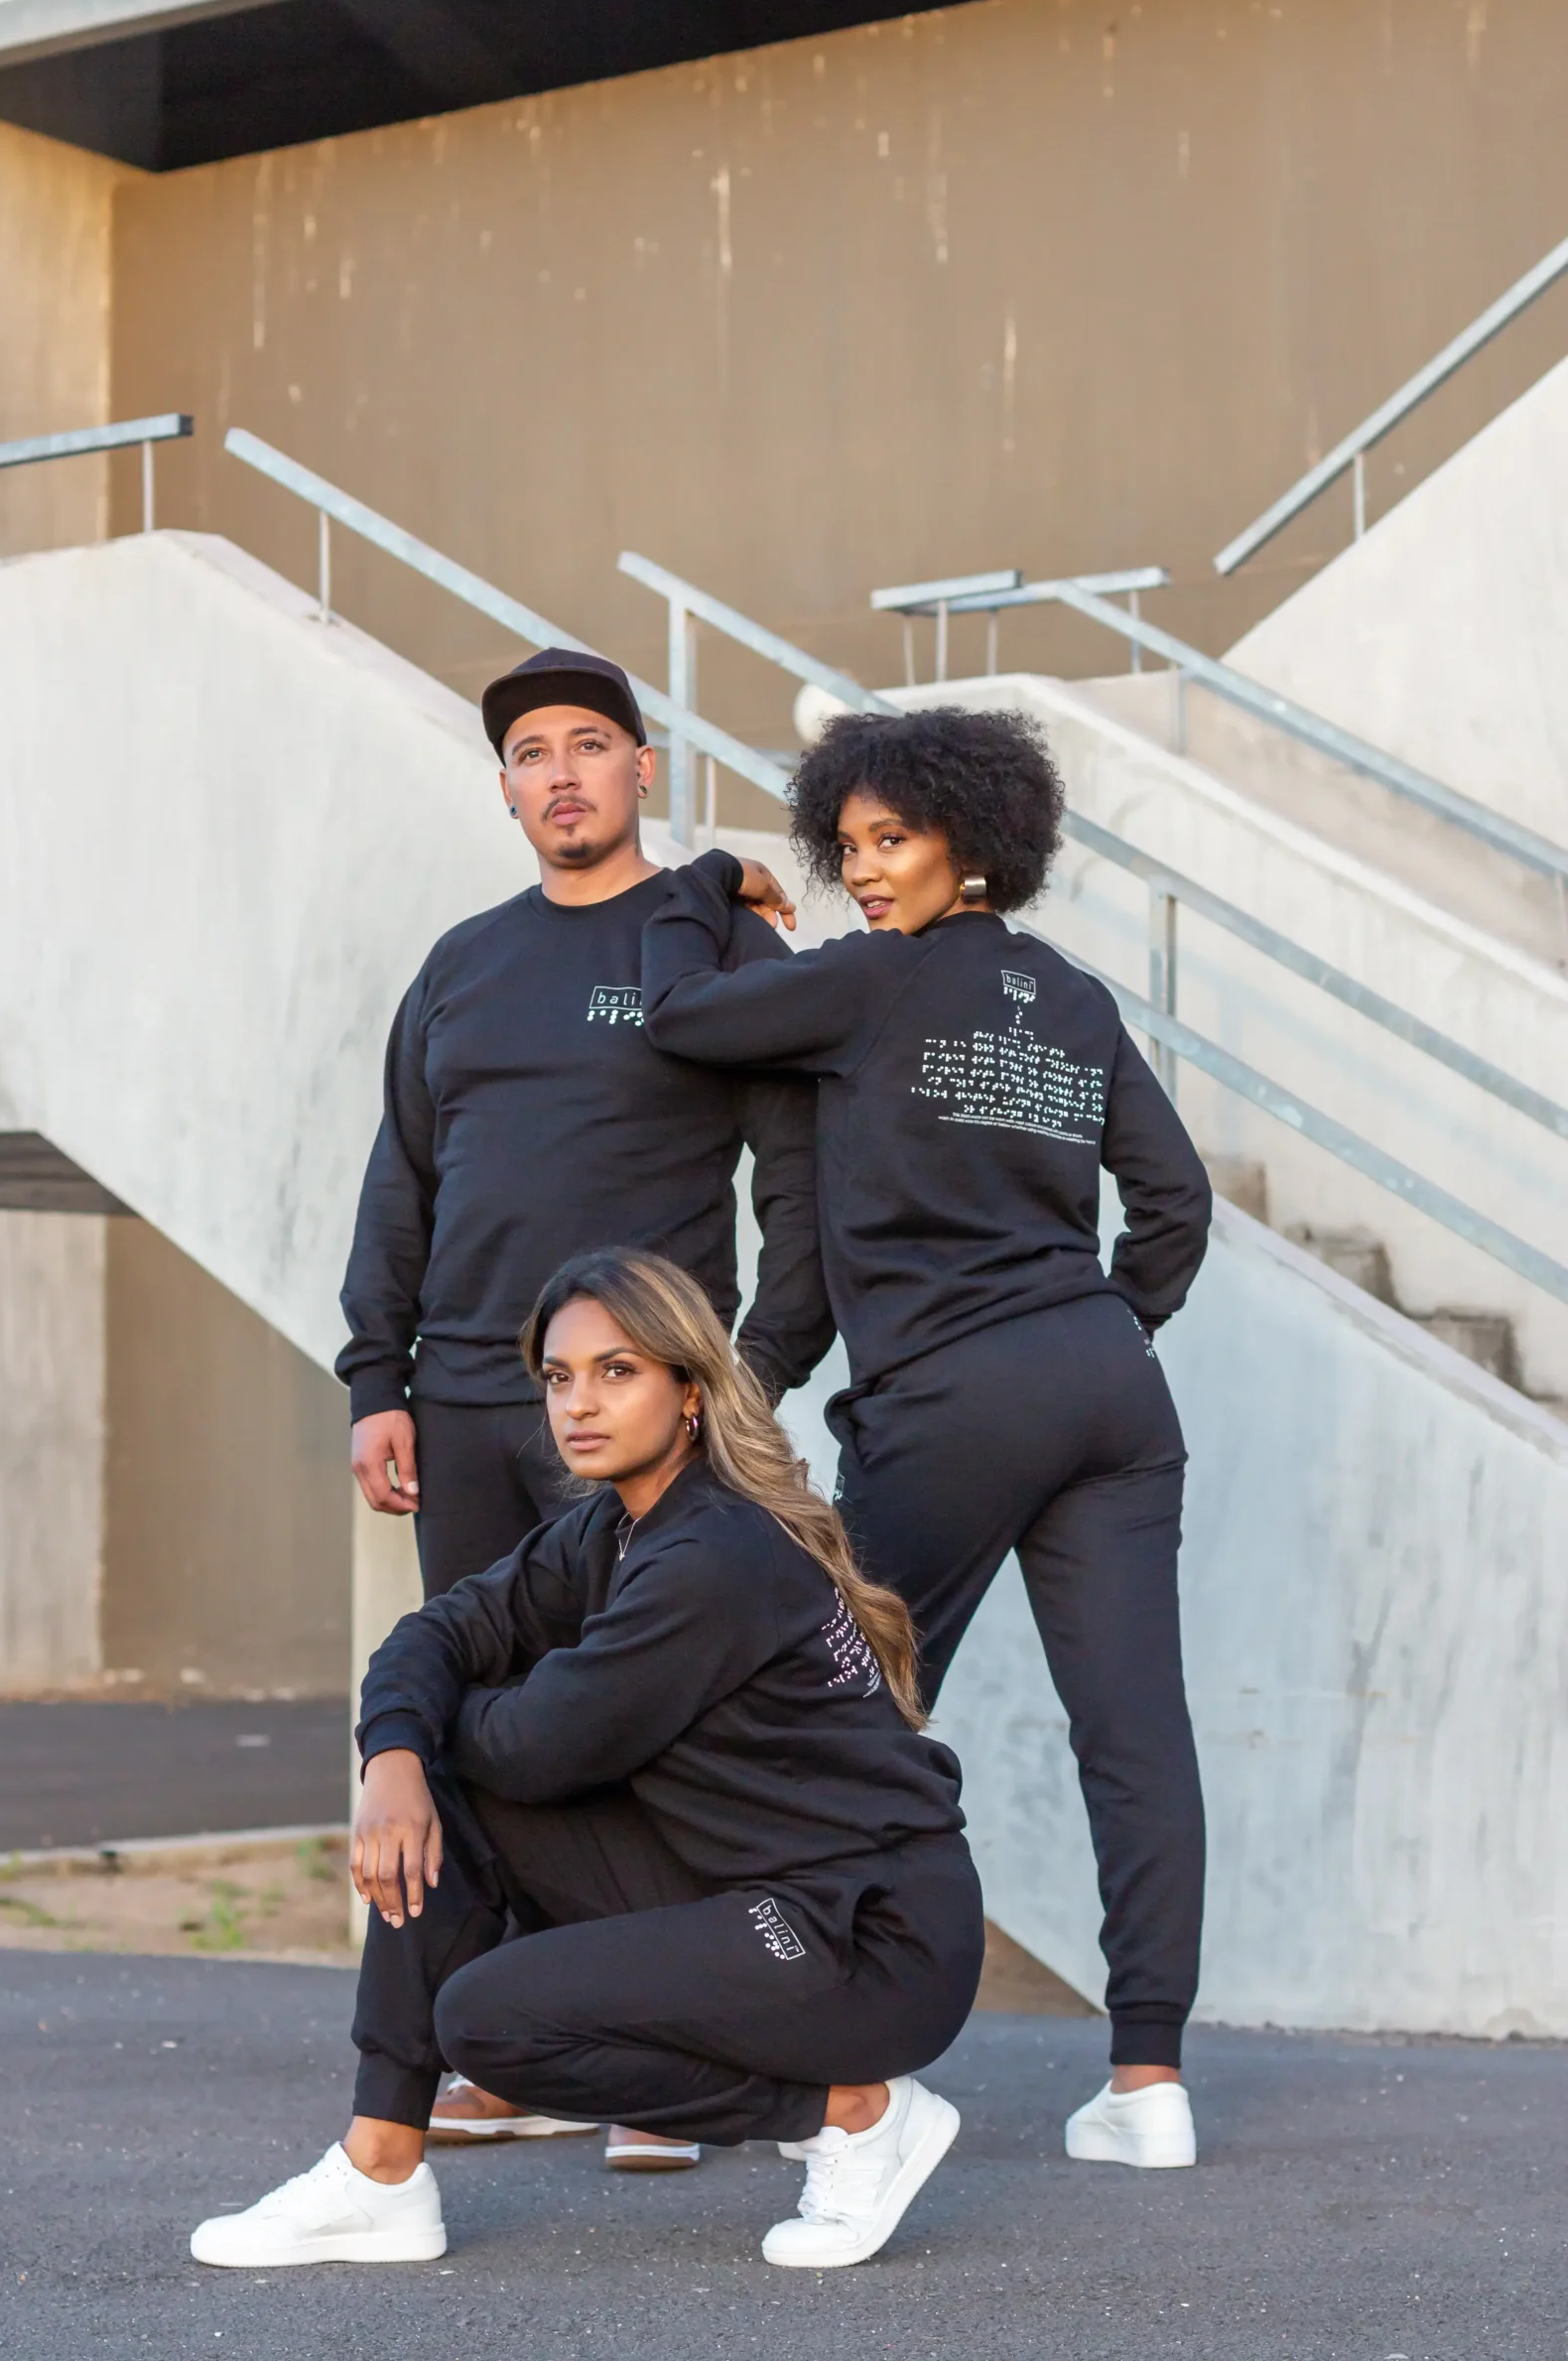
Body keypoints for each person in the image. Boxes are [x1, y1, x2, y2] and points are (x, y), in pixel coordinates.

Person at [639, 705, 1213, 2173]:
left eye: (888, 840)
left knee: (843, 1727)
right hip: (1104, 1393)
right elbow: (1174, 1206)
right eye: (845, 849)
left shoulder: (866, 988)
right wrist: (1107, 1326)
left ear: (973, 838)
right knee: (1133, 1737)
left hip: (952, 1402)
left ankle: (828, 2073)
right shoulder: (1073, 999)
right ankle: (1145, 2082)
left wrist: (703, 891)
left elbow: (679, 1016)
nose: (863, 872)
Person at [193, 1249, 983, 2275]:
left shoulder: (715, 1557)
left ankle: (856, 2113)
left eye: (618, 1371)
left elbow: (540, 1749)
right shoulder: (611, 1529)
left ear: (689, 1390)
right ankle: (378, 2172)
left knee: (488, 2020)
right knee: (444, 1783)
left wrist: (431, 1737)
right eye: (560, 1377)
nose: (579, 1403)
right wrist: (393, 1753)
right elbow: (438, 1630)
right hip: (747, 1879)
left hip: (868, 1939)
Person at [336, 645, 834, 2165]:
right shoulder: (459, 964)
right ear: (505, 789)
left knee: (649, 1727)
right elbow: (401, 1182)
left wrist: (751, 1373)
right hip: (465, 1400)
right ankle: (520, 2038)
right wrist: (378, 1380)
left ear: (641, 774)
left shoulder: (712, 951)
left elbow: (793, 1182)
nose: (560, 773)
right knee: (489, 1727)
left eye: (590, 746)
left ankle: (666, 2051)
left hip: (634, 1418)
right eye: (531, 753)